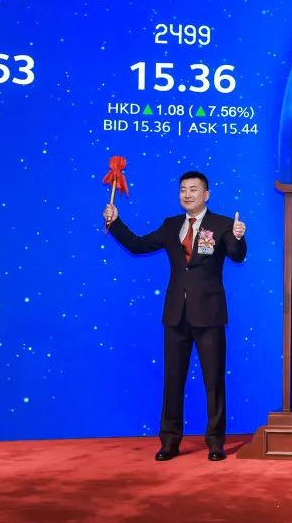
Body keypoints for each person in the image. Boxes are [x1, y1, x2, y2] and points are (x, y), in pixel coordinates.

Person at [104, 170, 247, 462]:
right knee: (172, 381)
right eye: (183, 189)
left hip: (209, 314)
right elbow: (138, 245)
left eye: (194, 189)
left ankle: (215, 442)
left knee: (214, 381)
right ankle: (169, 442)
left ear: (206, 195)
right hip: (175, 315)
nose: (187, 194)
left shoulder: (222, 224)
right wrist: (115, 222)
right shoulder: (171, 225)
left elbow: (237, 255)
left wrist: (238, 237)